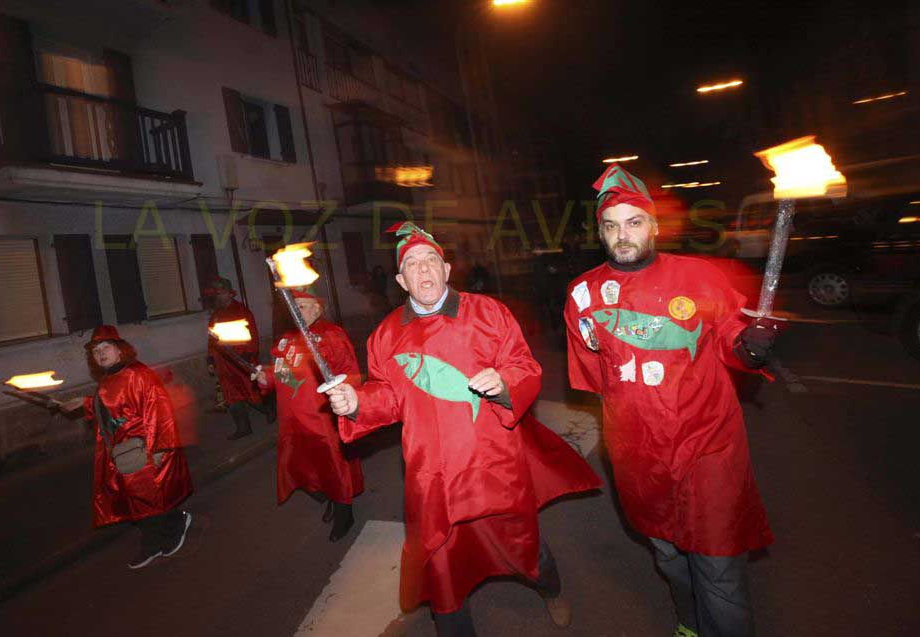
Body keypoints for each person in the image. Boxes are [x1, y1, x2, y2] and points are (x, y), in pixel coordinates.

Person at [326, 222, 602, 636]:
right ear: (401, 280)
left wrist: (506, 383)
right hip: (431, 476)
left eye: (431, 260)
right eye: (413, 264)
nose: (423, 270)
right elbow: (387, 396)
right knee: (444, 570)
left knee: (524, 545)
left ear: (447, 269)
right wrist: (356, 403)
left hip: (493, 464)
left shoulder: (489, 313)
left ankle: (551, 589)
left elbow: (524, 365)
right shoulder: (384, 336)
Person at [564, 165, 779, 637]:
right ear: (600, 232)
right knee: (667, 552)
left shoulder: (698, 276)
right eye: (611, 225)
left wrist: (749, 345)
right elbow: (594, 373)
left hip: (708, 443)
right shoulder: (582, 295)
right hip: (638, 451)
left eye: (634, 222)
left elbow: (729, 335)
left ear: (654, 226)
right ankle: (688, 621)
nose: (623, 234)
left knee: (717, 563)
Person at [59, 325, 193, 570]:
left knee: (148, 497)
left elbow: (159, 408)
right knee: (136, 499)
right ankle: (160, 535)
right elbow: (112, 407)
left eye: (106, 347)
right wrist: (85, 403)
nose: (100, 354)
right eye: (96, 351)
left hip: (143, 447)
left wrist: (160, 448)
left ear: (120, 350)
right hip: (121, 451)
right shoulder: (108, 379)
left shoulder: (137, 374)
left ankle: (169, 529)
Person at [254, 289, 363, 542]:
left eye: (302, 306)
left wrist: (349, 401)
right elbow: (282, 373)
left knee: (333, 465)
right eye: (294, 306)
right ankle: (331, 498)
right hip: (293, 419)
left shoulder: (330, 335)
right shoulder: (287, 339)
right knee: (302, 466)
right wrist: (265, 377)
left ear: (317, 308)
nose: (296, 311)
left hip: (323, 419)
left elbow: (350, 372)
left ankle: (344, 511)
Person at [206, 276, 274, 439]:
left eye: (221, 293)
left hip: (241, 360)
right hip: (223, 363)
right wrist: (210, 359)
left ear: (230, 293)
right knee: (231, 395)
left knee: (251, 392)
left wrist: (249, 355)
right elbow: (212, 339)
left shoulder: (241, 311)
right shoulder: (216, 315)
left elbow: (253, 336)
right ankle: (243, 427)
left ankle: (270, 409)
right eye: (217, 294)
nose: (219, 297)